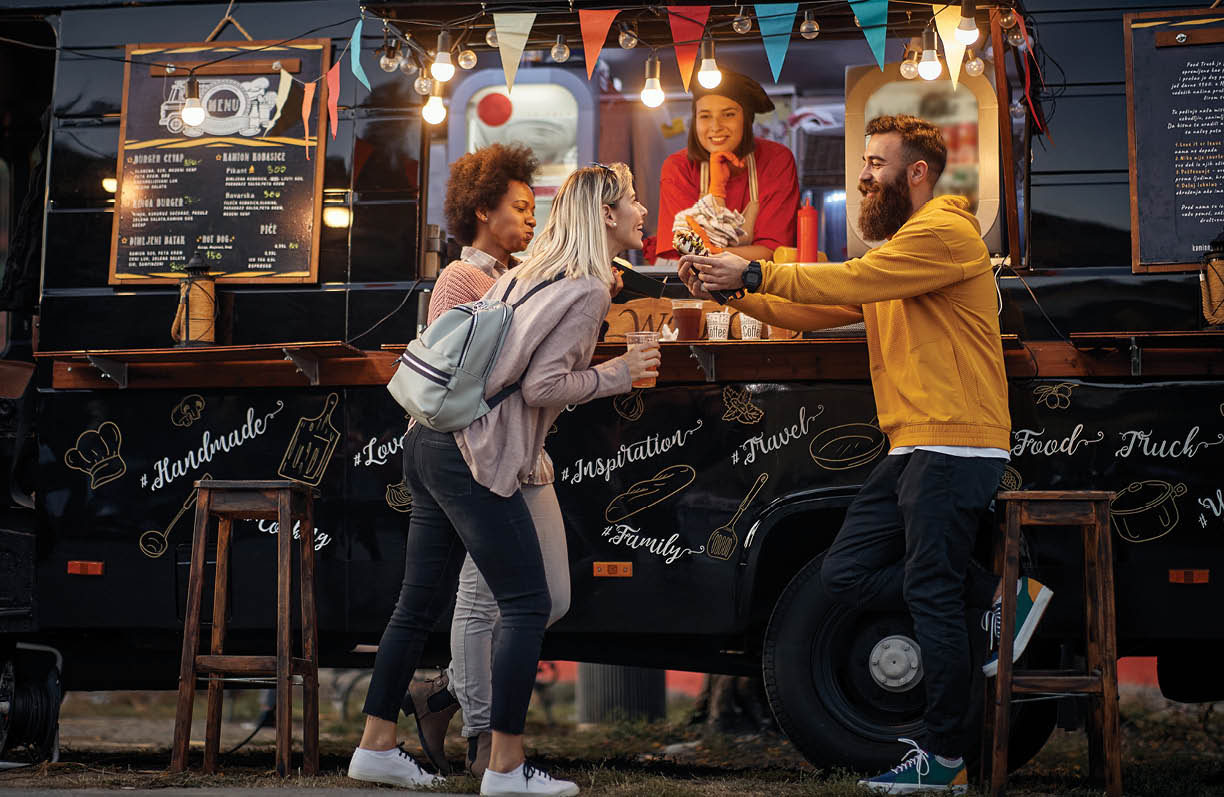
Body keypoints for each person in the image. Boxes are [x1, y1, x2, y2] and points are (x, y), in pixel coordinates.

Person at [679, 114, 1052, 794]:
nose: (862, 174)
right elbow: (820, 309)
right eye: (864, 161)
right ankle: (1002, 599)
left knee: (930, 598)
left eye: (876, 162)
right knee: (846, 574)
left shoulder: (943, 230)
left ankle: (943, 760)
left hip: (953, 441)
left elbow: (845, 281)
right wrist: (735, 290)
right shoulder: (900, 252)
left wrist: (756, 266)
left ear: (917, 172)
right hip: (914, 444)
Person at [348, 162, 658, 797]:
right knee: (527, 602)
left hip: (430, 443)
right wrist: (620, 373)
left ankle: (375, 747)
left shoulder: (528, 273)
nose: (642, 211)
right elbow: (544, 386)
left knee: (417, 602)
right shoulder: (586, 290)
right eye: (633, 201)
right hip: (473, 455)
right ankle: (506, 769)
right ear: (604, 214)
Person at [395, 142, 573, 781]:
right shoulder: (460, 280)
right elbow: (452, 377)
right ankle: (481, 736)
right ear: (481, 210)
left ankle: (442, 695)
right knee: (482, 594)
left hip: (523, 453)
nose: (531, 218)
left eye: (535, 207)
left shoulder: (518, 273)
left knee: (547, 597)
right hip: (475, 453)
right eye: (520, 207)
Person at [654, 69, 798, 263]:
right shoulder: (679, 167)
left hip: (760, 284)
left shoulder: (776, 160)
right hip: (693, 287)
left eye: (728, 114)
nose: (716, 126)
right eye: (705, 116)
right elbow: (682, 249)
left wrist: (709, 251)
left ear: (747, 119)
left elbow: (773, 251)